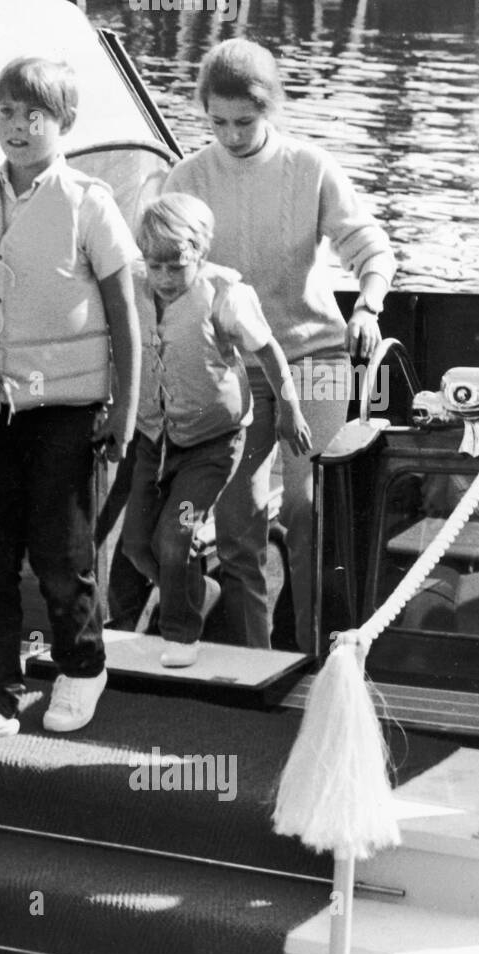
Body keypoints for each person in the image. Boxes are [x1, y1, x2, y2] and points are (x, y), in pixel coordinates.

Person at [164, 38, 397, 655]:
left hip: (314, 358)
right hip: (238, 369)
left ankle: (319, 654)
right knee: (237, 521)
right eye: (217, 123)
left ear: (271, 110)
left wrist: (368, 306)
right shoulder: (186, 178)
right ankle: (255, 663)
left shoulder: (311, 168)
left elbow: (373, 250)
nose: (232, 135)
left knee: (302, 507)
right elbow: (157, 270)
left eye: (245, 121)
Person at [0, 56, 141, 747]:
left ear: (65, 125)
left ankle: (82, 663)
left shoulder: (91, 202)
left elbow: (124, 314)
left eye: (35, 116)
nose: (18, 128)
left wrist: (126, 410)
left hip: (66, 408)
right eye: (8, 113)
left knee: (60, 548)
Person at [122, 194, 309, 668]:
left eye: (176, 266)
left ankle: (181, 636)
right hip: (155, 440)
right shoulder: (133, 284)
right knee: (137, 546)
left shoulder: (224, 295)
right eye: (155, 265)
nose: (164, 278)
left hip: (212, 446)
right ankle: (197, 588)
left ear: (200, 254)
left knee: (176, 534)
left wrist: (289, 408)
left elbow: (269, 351)